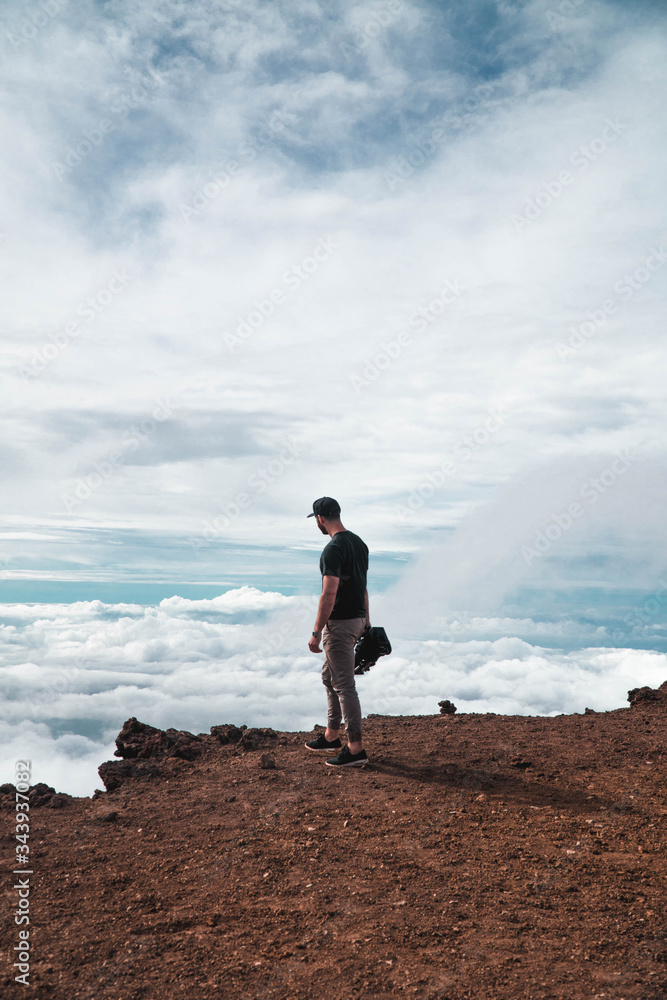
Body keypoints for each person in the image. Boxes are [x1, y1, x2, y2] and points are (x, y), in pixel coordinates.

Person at [304, 497, 370, 767]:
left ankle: (355, 750)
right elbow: (363, 586)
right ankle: (332, 734)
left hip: (340, 625)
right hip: (356, 620)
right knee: (328, 676)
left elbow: (329, 592)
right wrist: (367, 620)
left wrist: (317, 630)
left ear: (320, 518)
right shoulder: (359, 544)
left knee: (344, 686)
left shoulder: (332, 549)